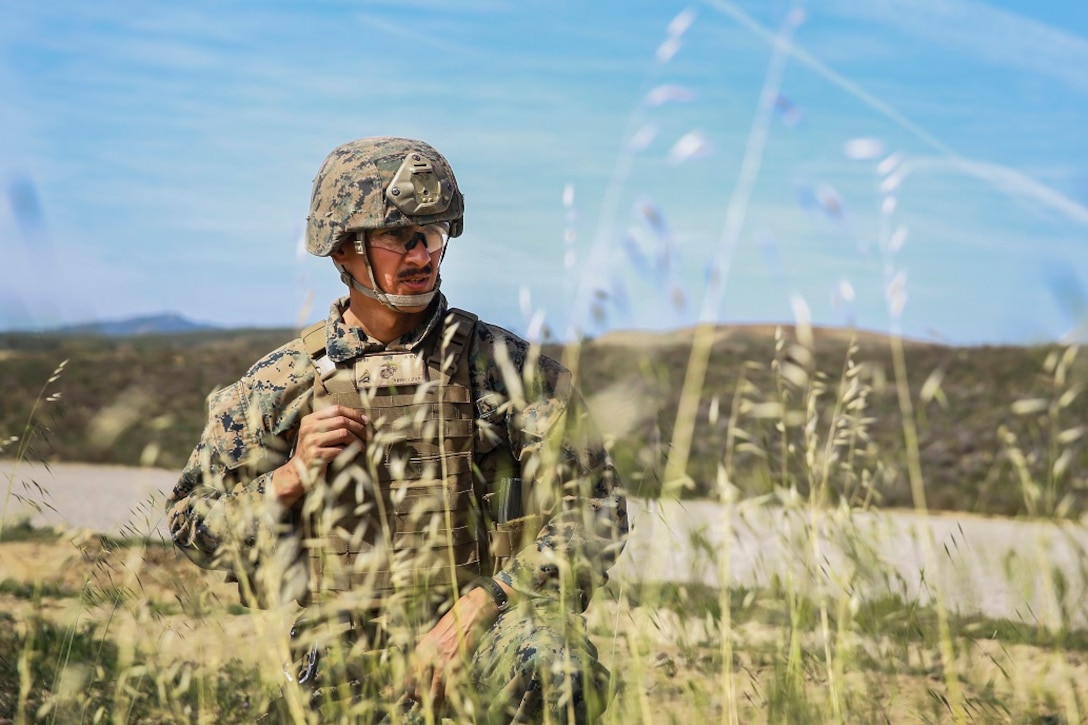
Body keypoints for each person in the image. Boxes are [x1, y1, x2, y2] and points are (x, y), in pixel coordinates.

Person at [165, 136, 629, 723]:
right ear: (342, 250)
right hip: (346, 654)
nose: (422, 255)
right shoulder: (281, 384)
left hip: (487, 632)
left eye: (433, 235)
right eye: (397, 237)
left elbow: (599, 509)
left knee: (557, 668)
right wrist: (287, 479)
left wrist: (489, 601)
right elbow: (190, 526)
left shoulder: (511, 371)